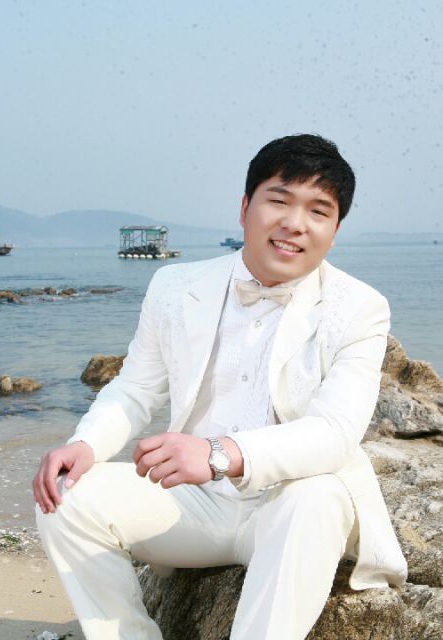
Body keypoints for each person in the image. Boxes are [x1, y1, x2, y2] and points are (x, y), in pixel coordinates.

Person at [32, 134, 407, 640]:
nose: (295, 223)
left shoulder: (361, 307)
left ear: (335, 230)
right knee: (64, 496)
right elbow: (136, 387)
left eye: (318, 211)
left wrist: (217, 453)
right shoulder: (173, 287)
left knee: (316, 495)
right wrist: (86, 444)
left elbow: (335, 433)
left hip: (291, 505)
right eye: (279, 200)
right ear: (245, 207)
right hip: (194, 503)